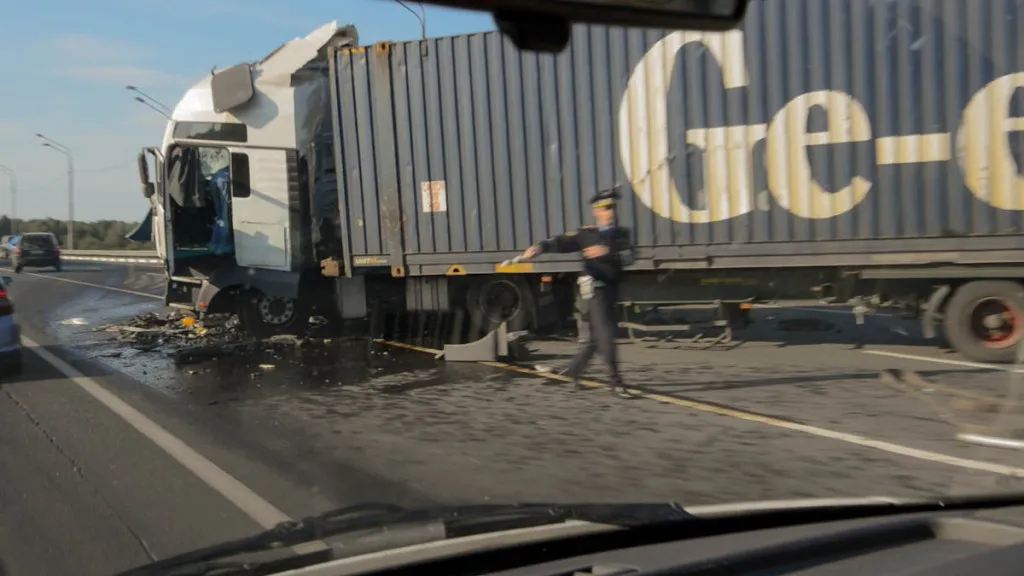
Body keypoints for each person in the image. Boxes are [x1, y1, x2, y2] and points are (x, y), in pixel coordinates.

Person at [519, 189, 635, 398]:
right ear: (596, 211)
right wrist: (539, 248)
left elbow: (629, 256)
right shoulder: (587, 234)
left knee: (595, 339)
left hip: (613, 290)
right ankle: (616, 382)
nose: (611, 212)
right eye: (605, 208)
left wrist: (608, 252)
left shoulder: (621, 234)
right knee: (606, 336)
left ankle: (572, 372)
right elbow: (562, 242)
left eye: (613, 207)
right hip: (595, 290)